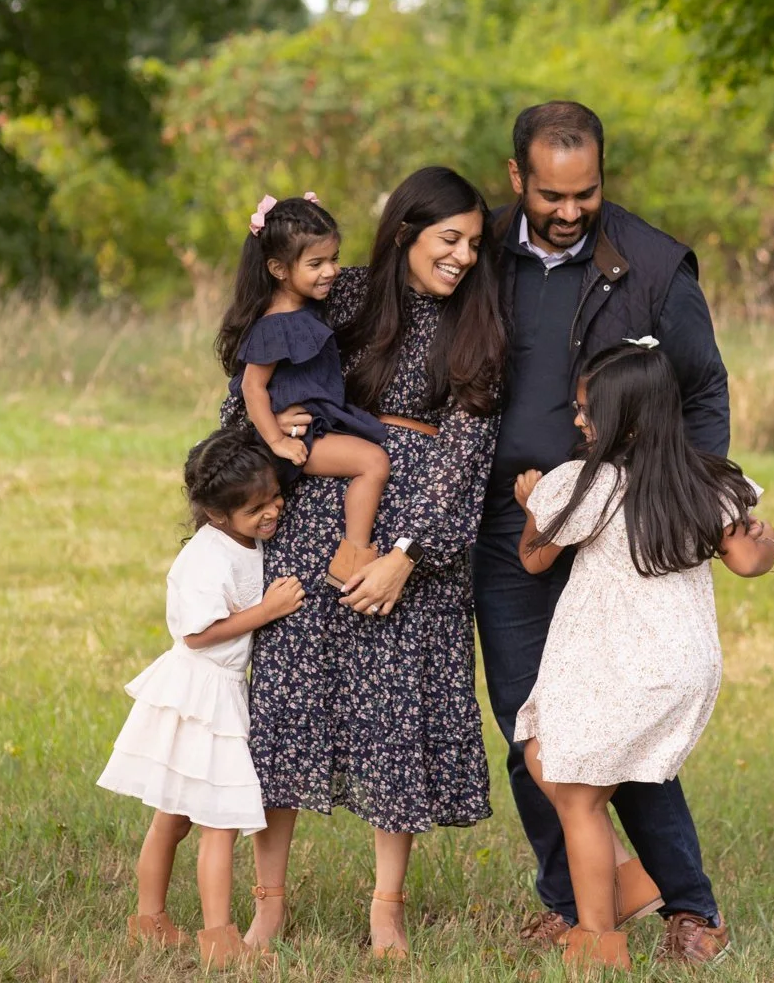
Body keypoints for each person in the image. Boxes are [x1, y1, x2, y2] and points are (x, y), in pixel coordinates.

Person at [473, 99, 750, 963]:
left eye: (585, 193)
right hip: (512, 529)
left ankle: (688, 908)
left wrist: (682, 502)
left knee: (626, 735)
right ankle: (577, 900)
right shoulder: (475, 249)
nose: (567, 210)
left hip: (626, 541)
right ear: (517, 177)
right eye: (550, 194)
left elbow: (702, 389)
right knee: (535, 731)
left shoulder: (657, 265)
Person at [226, 166, 509, 960]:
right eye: (446, 239)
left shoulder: (478, 328)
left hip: (414, 535)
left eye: (473, 245)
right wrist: (273, 428)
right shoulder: (342, 293)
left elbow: (466, 455)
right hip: (318, 514)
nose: (460, 257)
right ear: (405, 232)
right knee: (286, 703)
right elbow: (252, 367)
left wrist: (405, 557)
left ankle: (386, 910)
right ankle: (267, 906)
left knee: (394, 717)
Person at [512, 344, 774, 970]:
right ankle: (636, 880)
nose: (578, 421)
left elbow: (533, 559)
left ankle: (598, 945)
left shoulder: (584, 484)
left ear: (626, 419)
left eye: (587, 411)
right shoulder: (705, 478)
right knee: (541, 753)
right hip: (680, 666)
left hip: (617, 662)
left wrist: (533, 505)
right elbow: (748, 560)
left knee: (576, 797)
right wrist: (768, 544)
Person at [96, 427, 307, 968]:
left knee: (177, 818)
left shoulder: (242, 541)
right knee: (213, 821)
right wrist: (267, 610)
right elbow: (198, 633)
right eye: (256, 508)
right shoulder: (207, 559)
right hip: (201, 695)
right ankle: (218, 939)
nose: (271, 513)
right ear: (217, 515)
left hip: (213, 690)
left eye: (274, 498)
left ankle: (150, 922)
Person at [216, 192, 390, 583]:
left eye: (334, 258)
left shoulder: (305, 308)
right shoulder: (275, 324)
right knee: (373, 462)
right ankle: (353, 558)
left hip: (316, 424)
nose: (330, 271)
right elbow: (252, 388)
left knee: (373, 456)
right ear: (278, 269)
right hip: (299, 437)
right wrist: (277, 440)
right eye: (316, 263)